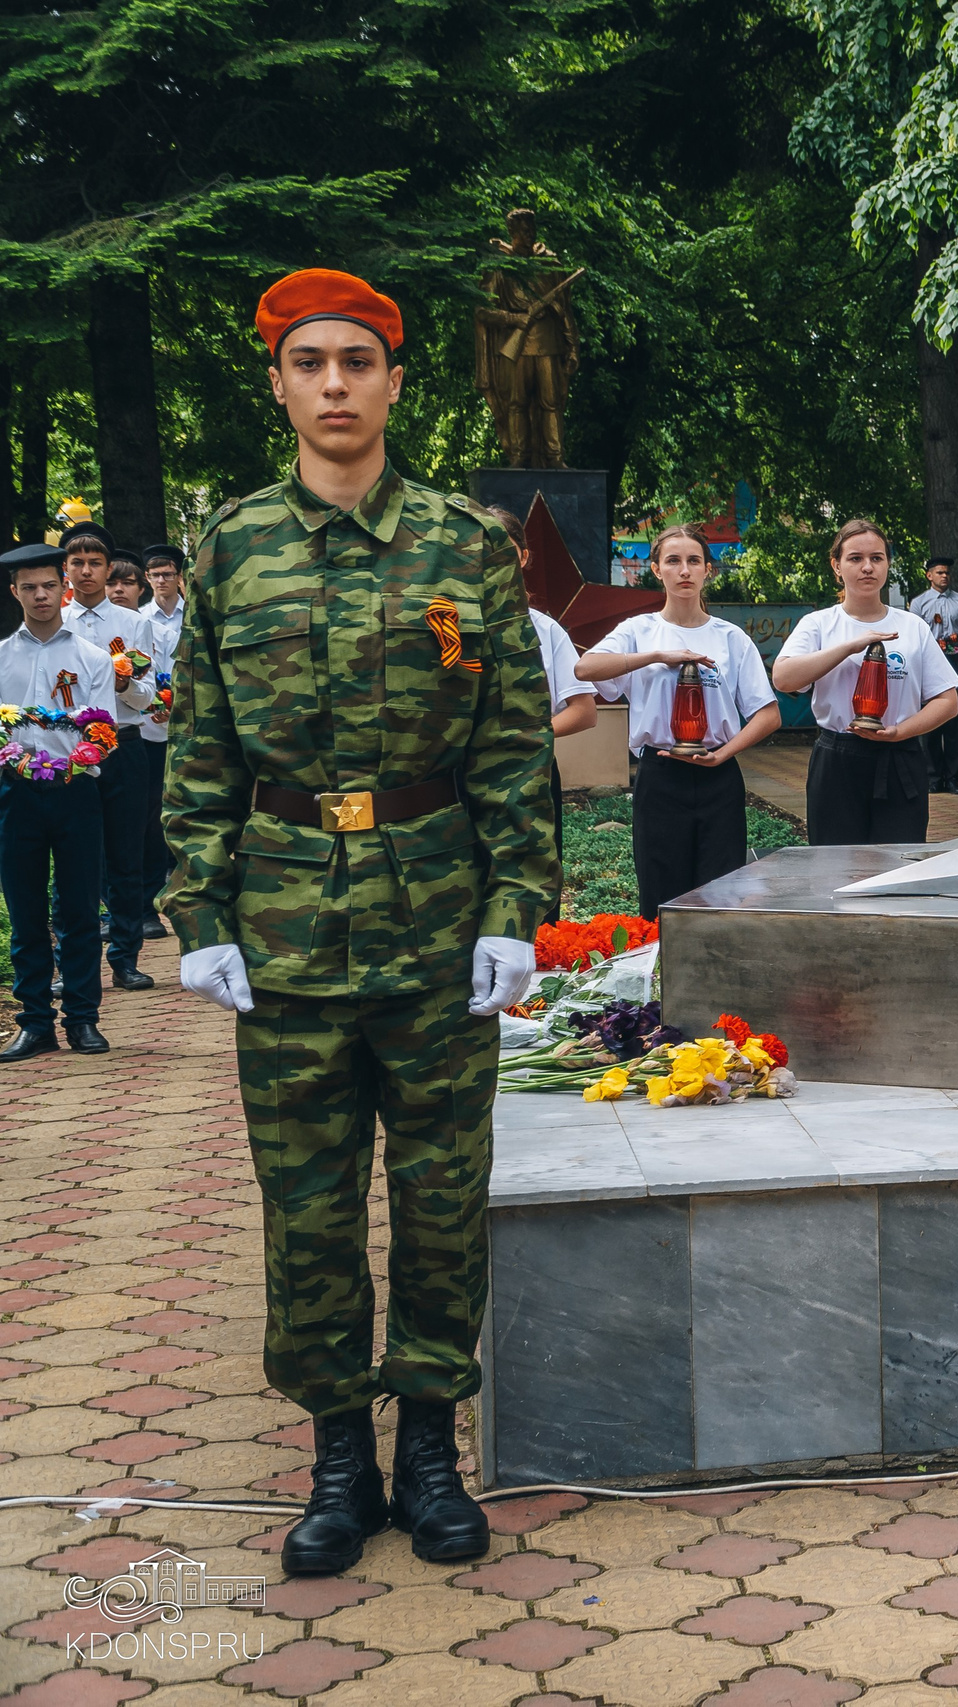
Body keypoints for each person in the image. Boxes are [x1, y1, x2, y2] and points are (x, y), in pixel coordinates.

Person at [163, 267, 555, 1576]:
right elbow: (201, 749)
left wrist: (518, 908)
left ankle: (431, 1447)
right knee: (310, 1205)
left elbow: (511, 750)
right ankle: (340, 1451)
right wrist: (196, 904)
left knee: (444, 1196)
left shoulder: (463, 547)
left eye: (358, 362)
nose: (335, 384)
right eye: (310, 362)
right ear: (278, 381)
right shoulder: (230, 546)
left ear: (393, 381)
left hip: (439, 924)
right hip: (282, 933)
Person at [576, 524, 780, 918]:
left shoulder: (731, 637)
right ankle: (663, 975)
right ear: (656, 569)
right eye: (673, 561)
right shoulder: (639, 631)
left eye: (693, 561)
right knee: (660, 893)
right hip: (660, 774)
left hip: (718, 775)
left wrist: (724, 755)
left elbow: (767, 714)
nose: (684, 570)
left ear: (708, 570)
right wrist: (657, 656)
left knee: (722, 894)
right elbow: (586, 668)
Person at [0, 544, 151, 1058]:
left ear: (62, 587)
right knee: (24, 910)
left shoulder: (90, 659)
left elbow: (103, 728)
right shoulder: (1, 657)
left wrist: (77, 761)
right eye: (29, 587)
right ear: (14, 591)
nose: (40, 596)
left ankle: (83, 1018)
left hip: (77, 791)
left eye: (48, 585)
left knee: (81, 908)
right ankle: (35, 1022)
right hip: (15, 794)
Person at [775, 519, 958, 844]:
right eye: (855, 558)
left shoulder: (912, 626)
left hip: (899, 756)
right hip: (838, 760)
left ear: (887, 563)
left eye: (876, 558)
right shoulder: (819, 624)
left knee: (897, 869)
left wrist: (900, 732)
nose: (867, 567)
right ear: (837, 565)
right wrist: (849, 646)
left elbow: (948, 702)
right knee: (835, 867)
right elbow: (784, 677)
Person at [482, 509, 600, 920]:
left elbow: (584, 712)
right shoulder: (448, 625)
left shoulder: (545, 630)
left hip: (532, 774)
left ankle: (544, 973)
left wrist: (522, 734)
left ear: (524, 557)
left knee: (535, 885)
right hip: (460, 777)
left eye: (506, 548)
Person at [57, 521, 158, 992]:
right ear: (66, 570)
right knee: (74, 858)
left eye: (95, 562)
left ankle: (125, 957)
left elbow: (148, 694)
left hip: (123, 744)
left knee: (125, 856)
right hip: (72, 750)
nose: (87, 571)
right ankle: (70, 962)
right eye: (77, 562)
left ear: (108, 567)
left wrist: (123, 683)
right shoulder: (52, 623)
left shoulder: (134, 623)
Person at [136, 544, 189, 932]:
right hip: (152, 724)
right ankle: (153, 892)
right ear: (146, 579)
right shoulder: (140, 620)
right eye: (154, 575)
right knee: (153, 810)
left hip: (192, 722)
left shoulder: (195, 616)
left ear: (178, 576)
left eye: (167, 574)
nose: (161, 581)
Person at [908, 553, 958, 793]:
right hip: (929, 665)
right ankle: (933, 777)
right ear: (929, 575)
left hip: (955, 662)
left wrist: (954, 645)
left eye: (947, 572)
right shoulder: (919, 603)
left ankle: (953, 778)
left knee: (956, 722)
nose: (944, 576)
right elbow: (915, 636)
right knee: (930, 723)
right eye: (940, 572)